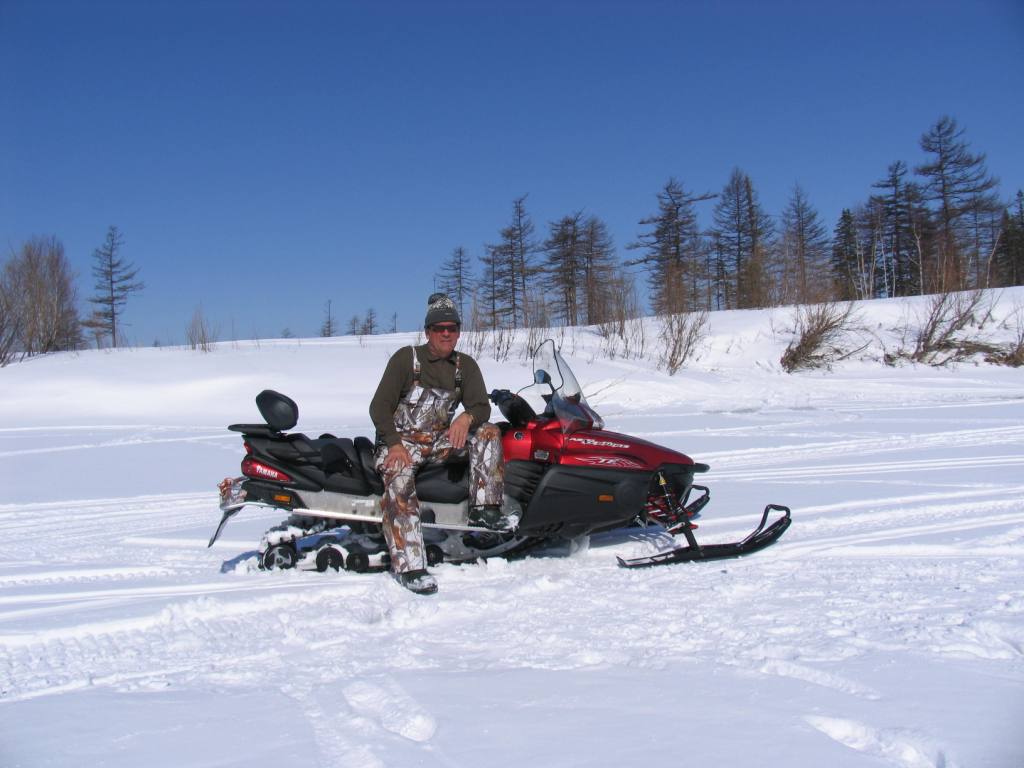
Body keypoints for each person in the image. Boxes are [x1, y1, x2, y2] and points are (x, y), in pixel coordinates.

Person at [369, 293, 506, 595]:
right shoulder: (407, 359)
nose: (446, 333)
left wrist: (466, 417)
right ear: (428, 331)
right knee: (400, 481)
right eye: (439, 328)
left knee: (489, 431)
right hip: (400, 443)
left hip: (438, 441)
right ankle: (410, 566)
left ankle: (485, 509)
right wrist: (393, 444)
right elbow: (379, 407)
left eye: (452, 328)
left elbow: (481, 406)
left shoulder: (464, 366)